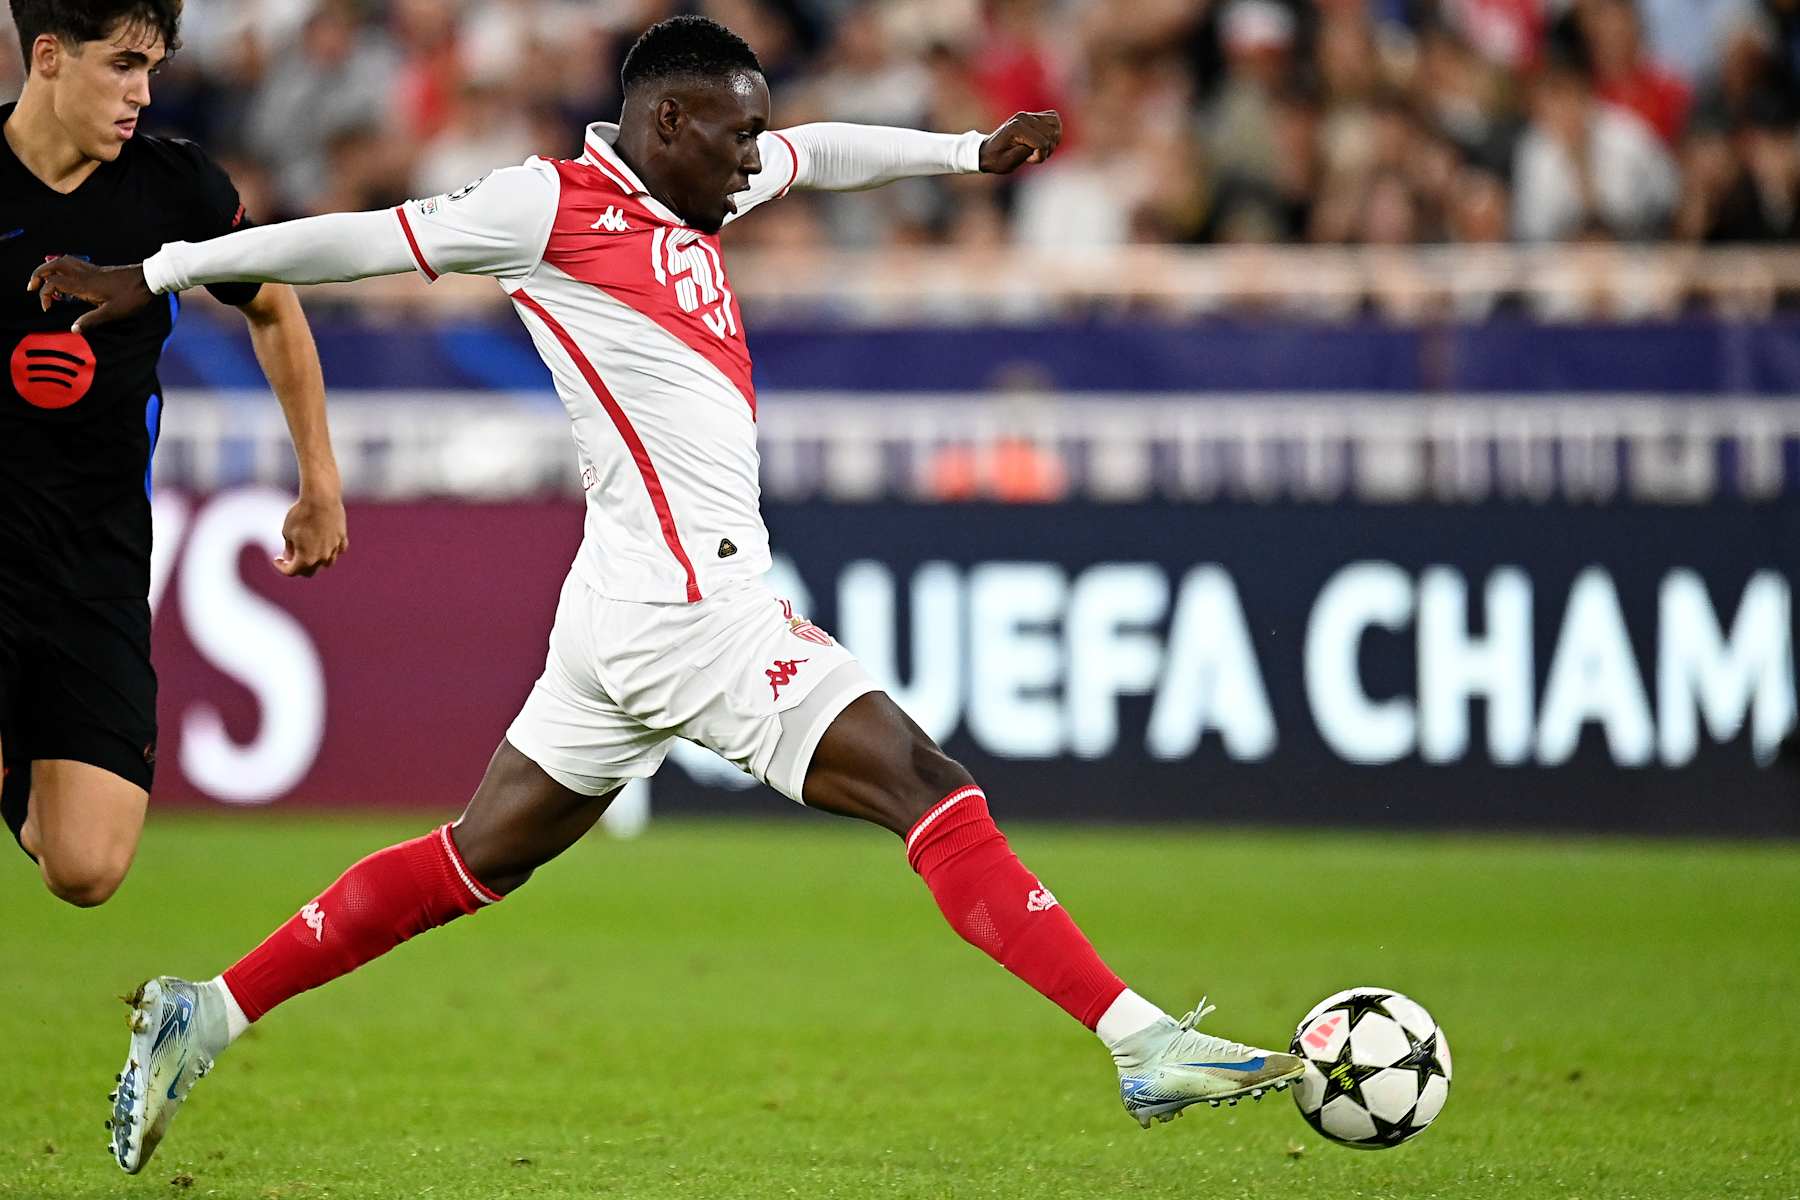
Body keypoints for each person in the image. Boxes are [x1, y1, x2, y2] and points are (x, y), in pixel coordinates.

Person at [34, 15, 1303, 1176]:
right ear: (669, 125)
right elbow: (357, 242)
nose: (762, 162)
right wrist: (156, 272)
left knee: (474, 860)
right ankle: (1136, 1037)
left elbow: (825, 151)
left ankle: (212, 1007)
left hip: (620, 607)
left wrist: (971, 151)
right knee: (931, 788)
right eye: (741, 135)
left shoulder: (704, 188)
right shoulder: (552, 206)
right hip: (693, 615)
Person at [1, 0, 346, 910]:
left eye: (152, 70)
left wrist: (321, 480)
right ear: (47, 57)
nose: (143, 95)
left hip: (95, 561)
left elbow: (273, 307)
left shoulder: (176, 189)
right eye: (122, 66)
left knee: (85, 868)